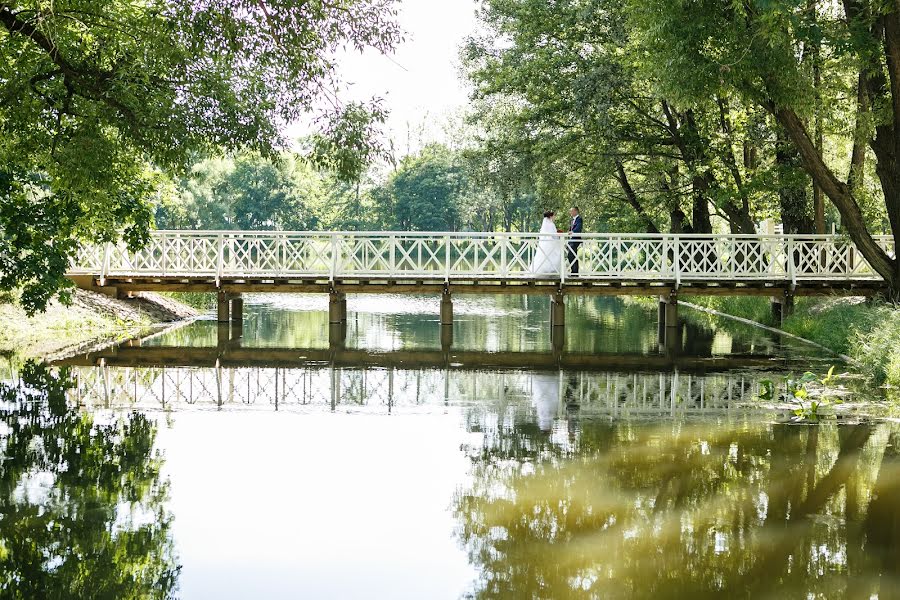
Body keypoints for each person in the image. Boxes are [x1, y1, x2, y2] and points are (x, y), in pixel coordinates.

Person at [530, 210, 562, 275]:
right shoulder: (551, 224)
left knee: (543, 256)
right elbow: (554, 235)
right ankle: (552, 271)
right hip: (551, 243)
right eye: (554, 216)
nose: (554, 217)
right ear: (550, 216)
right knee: (552, 255)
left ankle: (542, 271)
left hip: (544, 243)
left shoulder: (545, 225)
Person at [568, 207, 583, 274]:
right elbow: (570, 229)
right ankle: (574, 270)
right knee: (571, 255)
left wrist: (573, 232)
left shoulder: (579, 219)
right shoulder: (571, 220)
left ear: (576, 211)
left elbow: (578, 228)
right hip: (571, 239)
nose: (570, 212)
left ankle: (575, 271)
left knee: (572, 254)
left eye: (572, 211)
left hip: (576, 239)